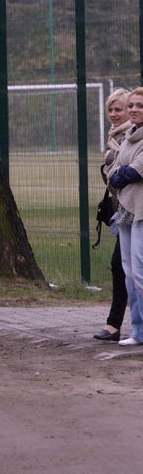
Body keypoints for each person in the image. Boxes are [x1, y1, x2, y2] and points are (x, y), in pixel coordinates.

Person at [94, 88, 130, 342]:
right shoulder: (113, 139)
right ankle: (114, 324)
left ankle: (115, 324)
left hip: (136, 211)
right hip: (123, 213)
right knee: (120, 266)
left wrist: (112, 170)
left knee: (126, 267)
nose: (114, 114)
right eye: (111, 110)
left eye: (119, 109)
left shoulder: (132, 137)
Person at [108, 86, 143, 346]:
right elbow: (114, 171)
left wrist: (123, 173)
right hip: (125, 209)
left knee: (140, 270)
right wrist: (120, 173)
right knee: (128, 272)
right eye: (131, 105)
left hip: (142, 210)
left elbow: (135, 170)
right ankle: (138, 330)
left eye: (139, 106)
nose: (133, 110)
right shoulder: (129, 135)